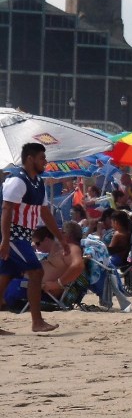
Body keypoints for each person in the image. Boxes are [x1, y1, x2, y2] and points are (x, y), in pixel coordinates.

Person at [0, 142, 68, 333]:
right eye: (42, 158)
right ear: (30, 159)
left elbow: (45, 213)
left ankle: (36, 322)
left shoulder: (37, 182)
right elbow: (6, 210)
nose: (45, 162)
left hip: (21, 235)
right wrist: (5, 240)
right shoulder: (17, 180)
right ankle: (37, 322)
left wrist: (61, 238)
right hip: (13, 235)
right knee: (36, 272)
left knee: (5, 277)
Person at [39, 222, 85, 299]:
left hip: (44, 291)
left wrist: (57, 284)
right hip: (41, 288)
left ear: (68, 235)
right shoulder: (68, 249)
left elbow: (78, 265)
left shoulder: (72, 248)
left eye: (61, 232)